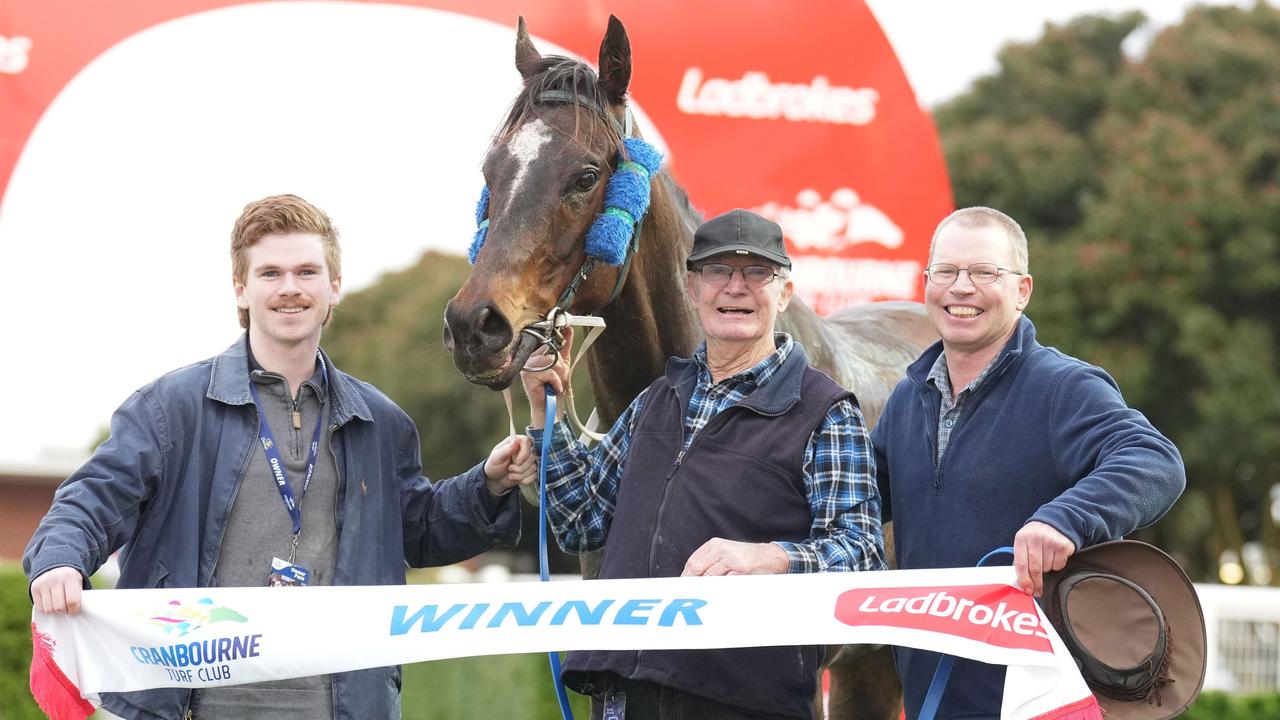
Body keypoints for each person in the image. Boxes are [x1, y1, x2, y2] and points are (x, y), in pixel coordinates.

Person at [24, 194, 535, 720]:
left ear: (333, 287)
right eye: (270, 273)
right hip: (188, 707)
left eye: (306, 271)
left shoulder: (380, 422)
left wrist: (488, 485)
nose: (289, 288)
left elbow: (420, 529)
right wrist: (60, 557)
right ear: (241, 290)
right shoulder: (169, 409)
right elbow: (92, 498)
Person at [521, 208, 885, 720]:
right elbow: (581, 522)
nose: (735, 287)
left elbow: (864, 555)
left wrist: (773, 558)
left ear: (784, 293)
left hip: (744, 701)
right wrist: (544, 412)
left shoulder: (824, 411)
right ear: (692, 289)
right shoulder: (655, 400)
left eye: (757, 272)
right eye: (717, 271)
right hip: (627, 694)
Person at [871, 206, 1186, 719]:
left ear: (1022, 290)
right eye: (946, 272)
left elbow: (1155, 460)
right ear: (927, 283)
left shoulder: (1063, 386)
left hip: (1036, 701)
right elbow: (851, 499)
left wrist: (1063, 519)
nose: (961, 287)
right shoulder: (909, 398)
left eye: (984, 273)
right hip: (932, 696)